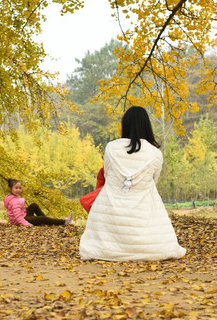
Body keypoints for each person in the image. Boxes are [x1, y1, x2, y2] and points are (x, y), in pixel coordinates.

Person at [79, 106, 186, 261]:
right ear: (147, 126)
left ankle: (107, 249)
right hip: (142, 214)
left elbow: (108, 176)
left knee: (100, 237)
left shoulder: (111, 148)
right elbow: (153, 181)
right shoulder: (155, 153)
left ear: (125, 124)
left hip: (111, 213)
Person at [4, 179, 73, 227]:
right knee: (41, 218)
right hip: (20, 221)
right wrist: (26, 224)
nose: (19, 190)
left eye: (20, 188)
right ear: (10, 189)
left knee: (34, 205)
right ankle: (63, 222)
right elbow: (18, 217)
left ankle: (47, 221)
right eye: (16, 188)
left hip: (23, 216)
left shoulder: (14, 197)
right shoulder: (14, 201)